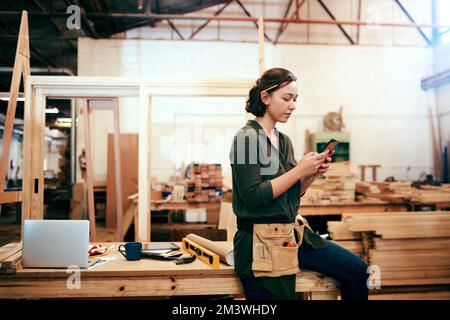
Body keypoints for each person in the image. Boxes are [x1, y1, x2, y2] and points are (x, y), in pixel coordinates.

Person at [229, 67, 369, 300]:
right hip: (259, 243)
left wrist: (308, 177)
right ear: (265, 97)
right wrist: (298, 171)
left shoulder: (284, 141)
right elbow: (252, 197)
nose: (293, 105)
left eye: (295, 99)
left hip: (291, 234)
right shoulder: (246, 138)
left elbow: (290, 194)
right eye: (286, 98)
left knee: (359, 272)